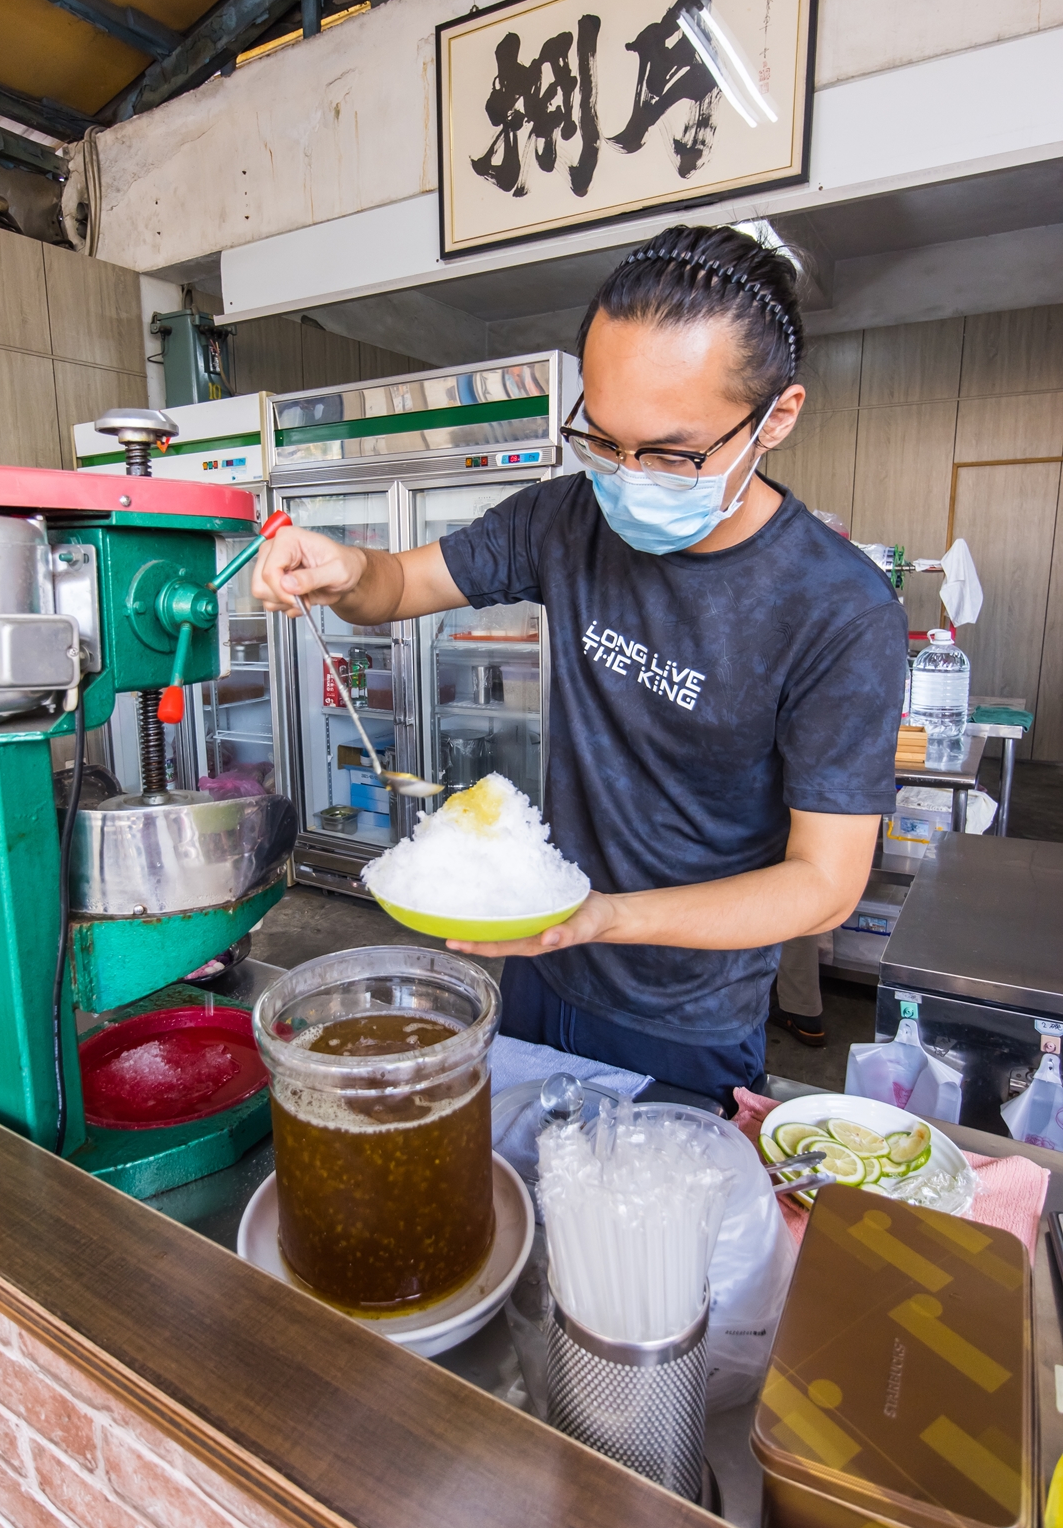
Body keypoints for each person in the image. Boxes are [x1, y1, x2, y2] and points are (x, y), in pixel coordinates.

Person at [251, 225, 907, 1110]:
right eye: (602, 439)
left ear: (776, 418)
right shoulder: (565, 518)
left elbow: (825, 884)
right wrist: (343, 568)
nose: (628, 477)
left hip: (685, 1012)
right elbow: (398, 585)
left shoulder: (838, 609)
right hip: (530, 970)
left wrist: (606, 917)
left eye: (671, 454)